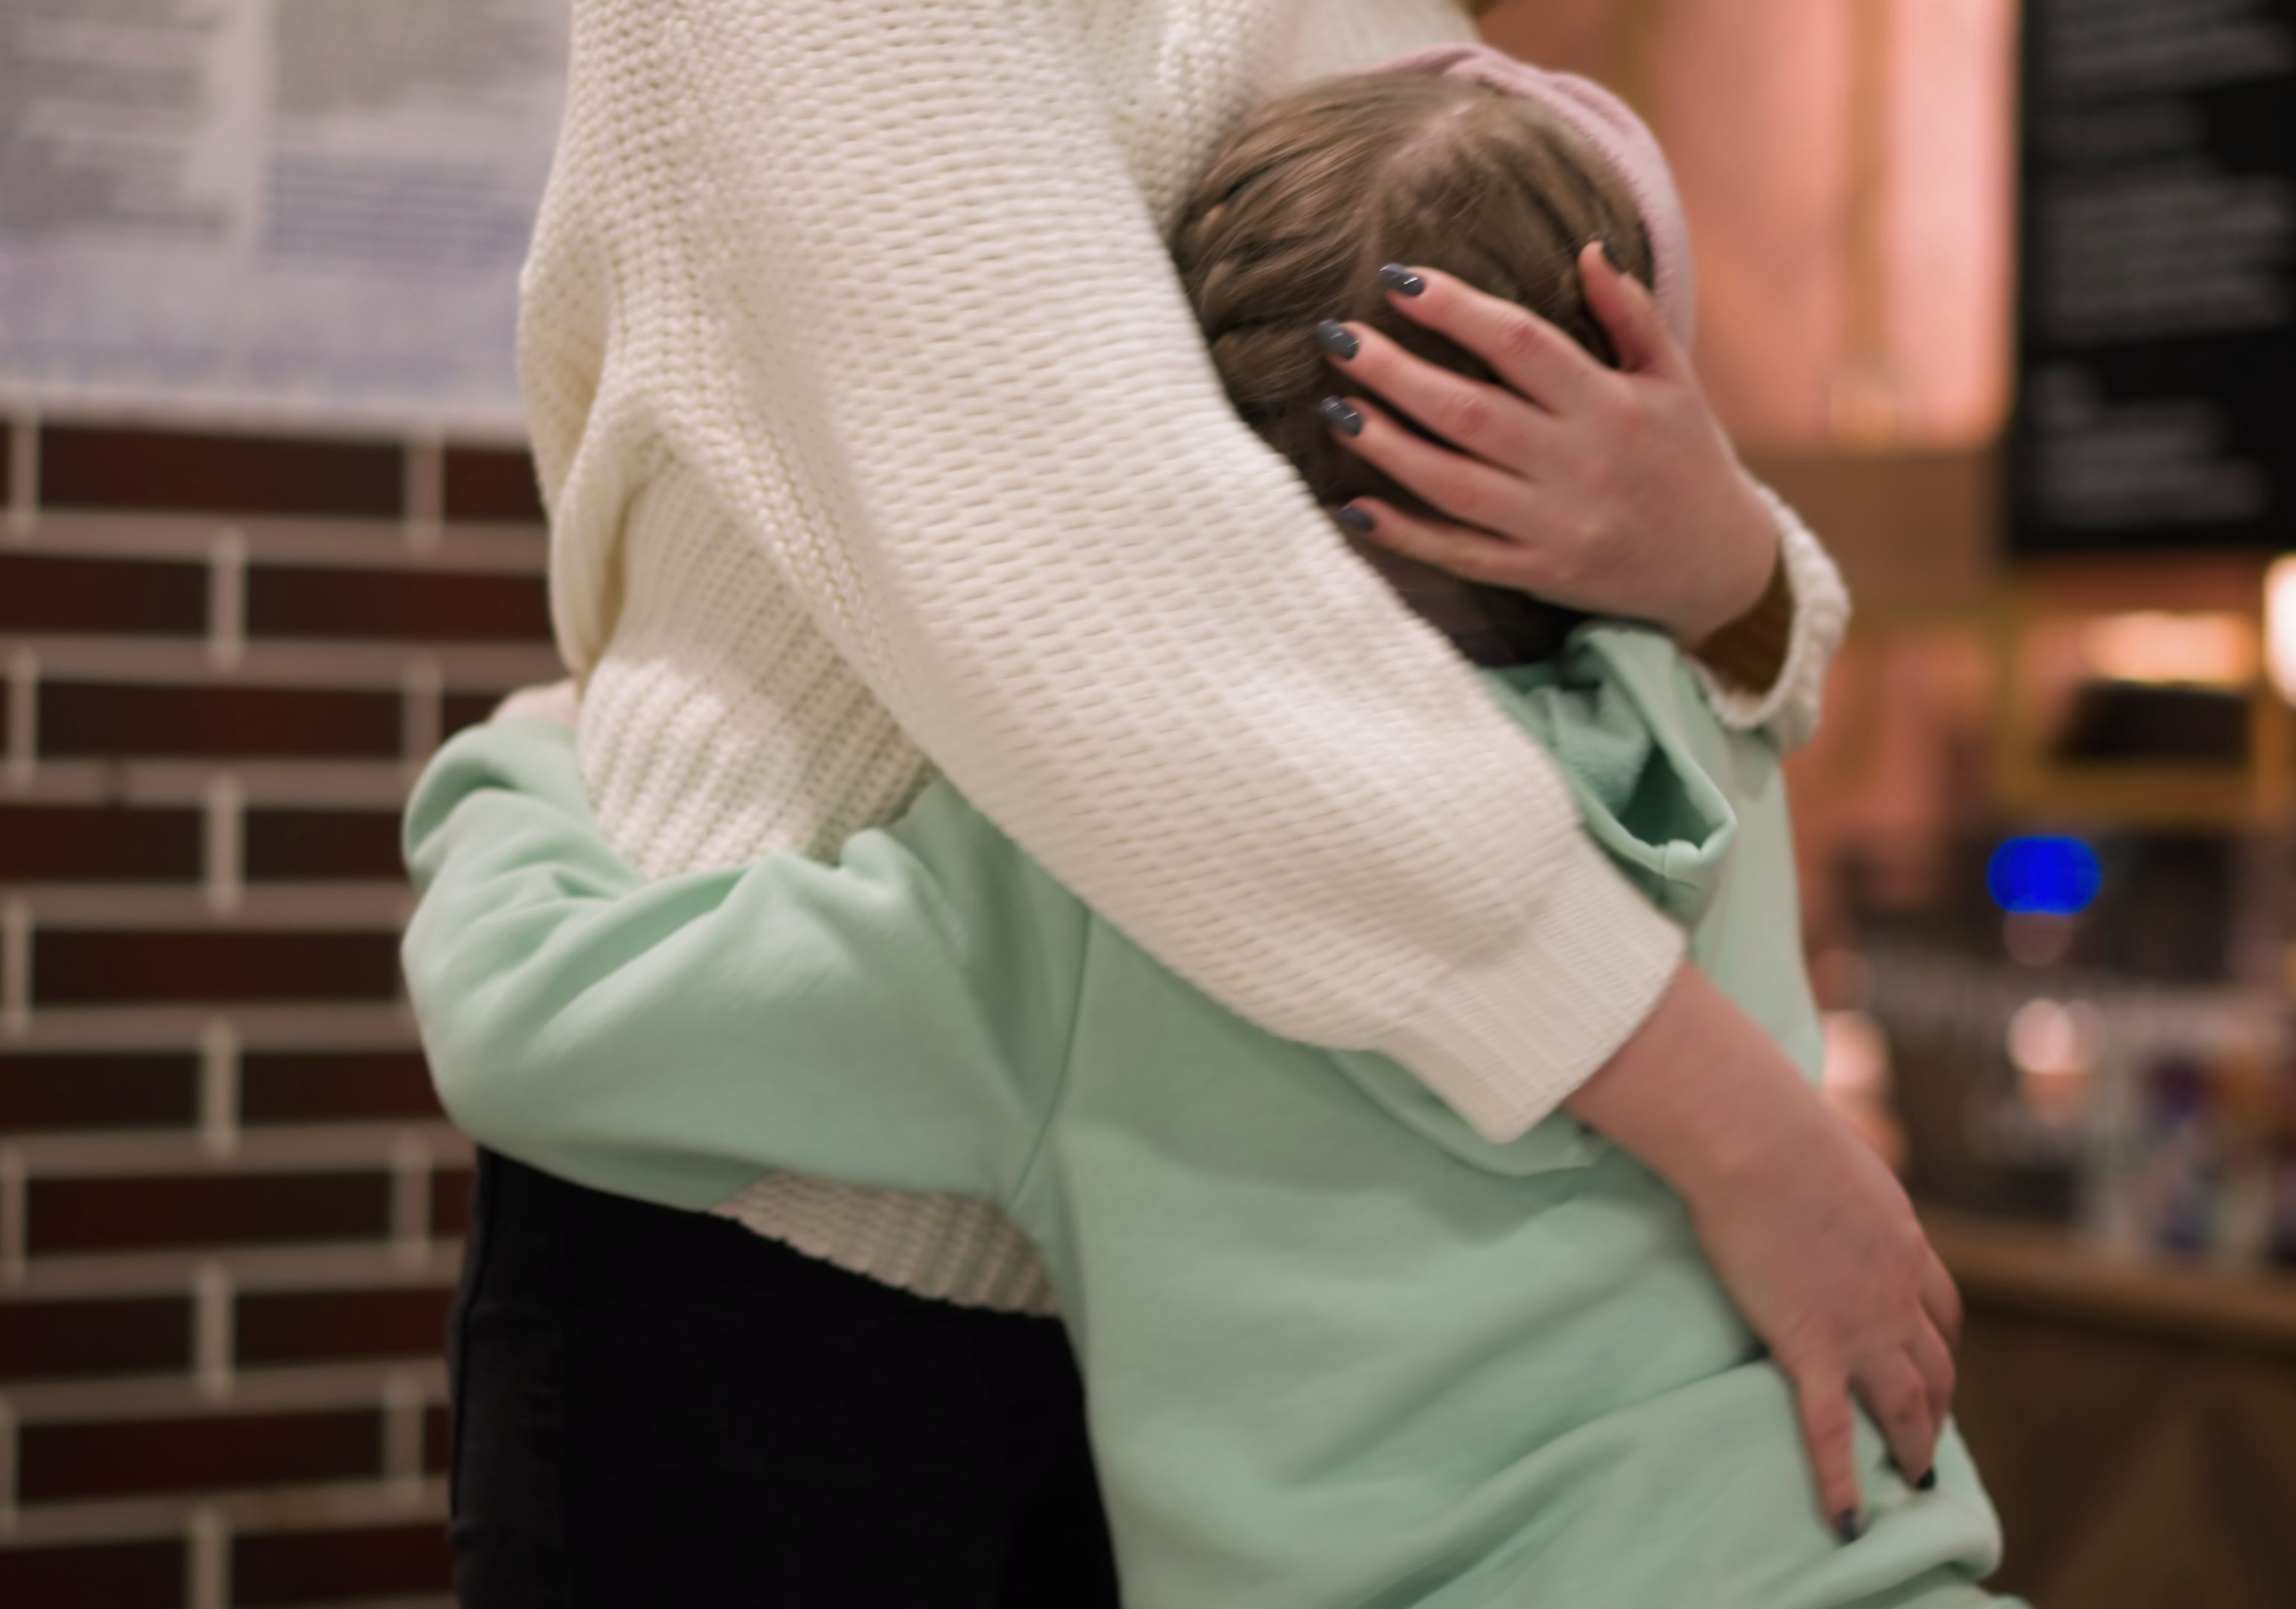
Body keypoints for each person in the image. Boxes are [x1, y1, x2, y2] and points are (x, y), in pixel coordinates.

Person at [407, 53, 2007, 1608]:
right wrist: (1719, 551)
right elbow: (1766, 640)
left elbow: (536, 1020)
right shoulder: (1722, 732)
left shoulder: (1089, 908)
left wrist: (535, 752)